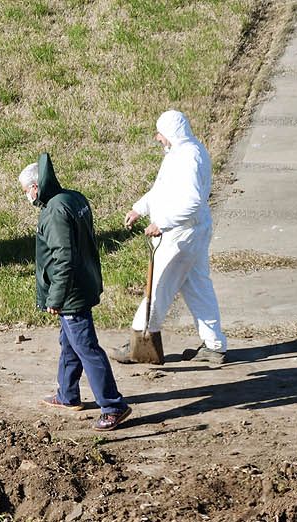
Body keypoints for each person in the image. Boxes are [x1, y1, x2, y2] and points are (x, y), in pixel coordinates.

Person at [20, 154, 132, 432]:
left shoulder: (54, 212)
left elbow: (63, 258)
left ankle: (113, 405)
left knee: (86, 347)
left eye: (26, 191)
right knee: (69, 341)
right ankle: (67, 394)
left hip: (71, 292)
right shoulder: (73, 198)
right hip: (85, 280)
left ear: (36, 187)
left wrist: (55, 297)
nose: (26, 196)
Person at [113, 110, 227, 365]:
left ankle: (139, 344)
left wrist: (161, 223)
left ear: (172, 134)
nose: (157, 138)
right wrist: (139, 208)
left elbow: (193, 203)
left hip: (180, 236)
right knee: (198, 287)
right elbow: (161, 189)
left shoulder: (188, 158)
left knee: (158, 287)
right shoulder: (180, 153)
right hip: (190, 234)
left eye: (160, 133)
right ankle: (214, 346)